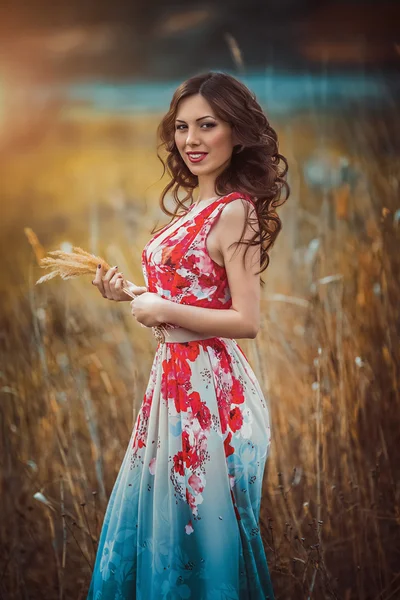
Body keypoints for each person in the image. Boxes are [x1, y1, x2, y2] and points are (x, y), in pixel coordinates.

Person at [87, 71, 289, 600]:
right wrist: (130, 293)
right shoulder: (191, 209)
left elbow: (247, 320)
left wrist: (162, 307)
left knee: (199, 526)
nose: (191, 139)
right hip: (171, 381)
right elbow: (186, 300)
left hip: (208, 389)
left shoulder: (236, 210)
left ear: (237, 132)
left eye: (207, 125)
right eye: (181, 127)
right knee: (165, 520)